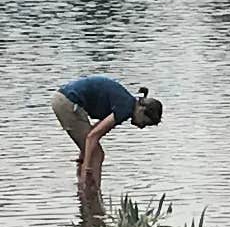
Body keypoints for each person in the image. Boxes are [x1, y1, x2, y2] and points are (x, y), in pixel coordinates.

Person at [53, 71, 164, 207]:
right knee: (97, 155)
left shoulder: (126, 103)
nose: (141, 127)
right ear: (142, 110)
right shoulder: (125, 108)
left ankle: (84, 197)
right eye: (145, 123)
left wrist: (83, 157)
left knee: (93, 152)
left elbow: (93, 132)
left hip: (63, 98)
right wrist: (87, 168)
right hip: (68, 102)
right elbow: (92, 137)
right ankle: (91, 198)